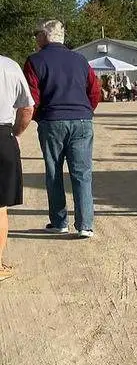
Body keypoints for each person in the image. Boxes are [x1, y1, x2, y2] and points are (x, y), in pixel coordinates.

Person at [23, 19, 101, 239]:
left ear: (46, 37)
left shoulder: (34, 61)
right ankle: (85, 224)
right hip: (82, 120)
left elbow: (32, 97)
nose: (36, 37)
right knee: (82, 173)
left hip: (52, 120)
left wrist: (38, 117)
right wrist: (85, 110)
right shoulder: (81, 60)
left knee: (54, 172)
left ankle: (59, 221)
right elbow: (95, 91)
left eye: (37, 33)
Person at [0, 54, 35, 280]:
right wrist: (16, 134)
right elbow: (27, 109)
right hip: (2, 135)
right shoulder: (9, 66)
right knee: (0, 206)